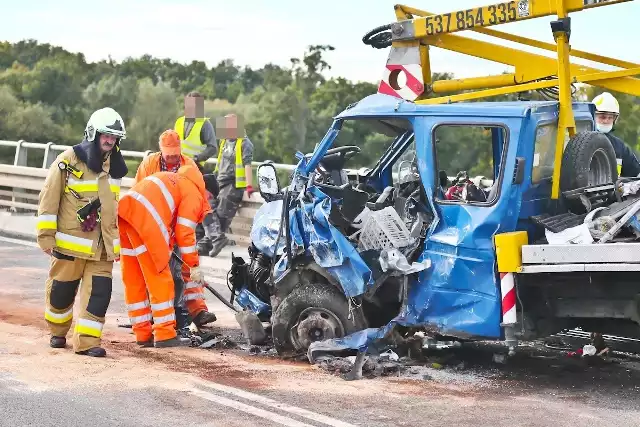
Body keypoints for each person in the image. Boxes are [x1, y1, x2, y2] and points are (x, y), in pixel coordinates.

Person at [36, 107, 128, 357]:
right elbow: (49, 198)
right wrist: (46, 236)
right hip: (70, 246)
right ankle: (57, 331)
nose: (110, 140)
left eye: (114, 137)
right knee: (61, 293)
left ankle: (87, 343)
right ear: (93, 133)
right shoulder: (68, 160)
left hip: (101, 248)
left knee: (99, 295)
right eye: (105, 135)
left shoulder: (116, 166)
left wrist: (116, 244)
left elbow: (115, 207)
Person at [117, 165, 211, 348]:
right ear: (206, 190)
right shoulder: (194, 192)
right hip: (146, 221)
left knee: (134, 278)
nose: (207, 201)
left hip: (125, 216)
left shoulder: (172, 180)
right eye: (210, 197)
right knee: (160, 277)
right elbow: (185, 232)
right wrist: (193, 266)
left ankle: (142, 333)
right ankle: (165, 333)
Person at [133, 129, 217, 331]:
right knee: (157, 270)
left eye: (175, 154)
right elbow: (139, 193)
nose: (171, 158)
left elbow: (195, 202)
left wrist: (191, 259)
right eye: (168, 154)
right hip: (153, 222)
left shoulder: (190, 168)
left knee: (183, 269)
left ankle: (193, 311)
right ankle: (155, 315)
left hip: (179, 221)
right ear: (160, 151)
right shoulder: (149, 165)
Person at [198, 113, 255, 257]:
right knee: (207, 208)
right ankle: (214, 240)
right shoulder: (225, 141)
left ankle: (208, 243)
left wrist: (249, 185)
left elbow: (247, 164)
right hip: (219, 181)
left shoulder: (244, 143)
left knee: (221, 214)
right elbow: (220, 163)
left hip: (233, 184)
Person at [592, 92, 640, 177]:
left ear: (615, 119)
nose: (606, 121)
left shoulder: (620, 146)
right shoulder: (578, 141)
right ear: (593, 116)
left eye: (610, 117)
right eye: (602, 117)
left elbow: (635, 173)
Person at [174, 91, 218, 169]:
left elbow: (212, 148)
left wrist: (196, 158)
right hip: (177, 165)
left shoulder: (205, 124)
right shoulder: (179, 122)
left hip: (195, 167)